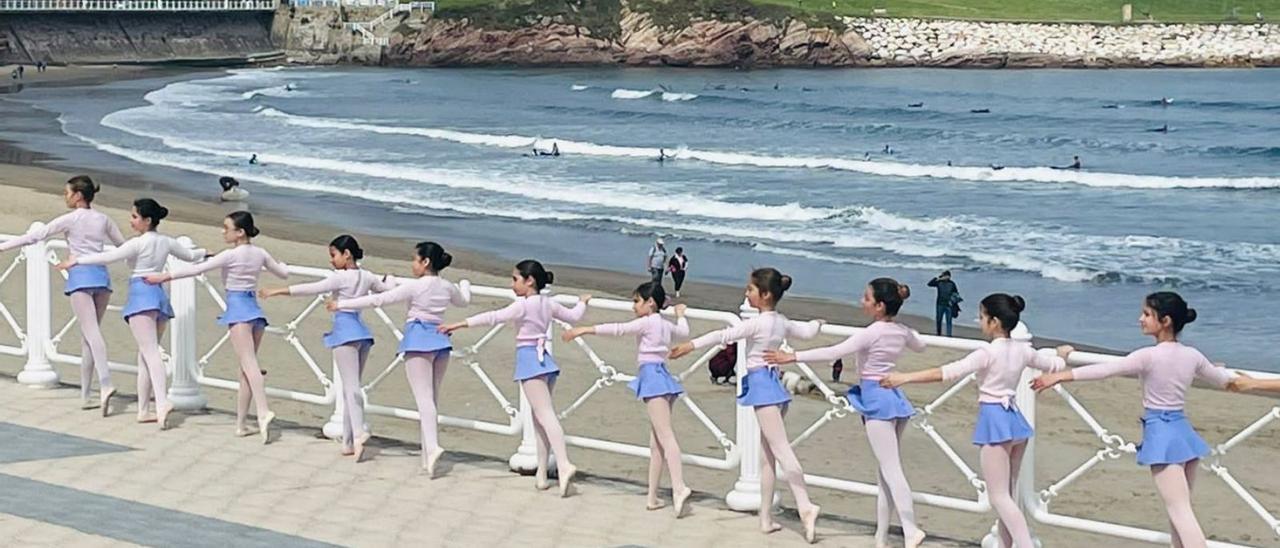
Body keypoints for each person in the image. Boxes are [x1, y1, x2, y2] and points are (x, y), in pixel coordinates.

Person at [1032, 292, 1236, 548]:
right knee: (1180, 513)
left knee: (1181, 513)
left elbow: (1105, 370)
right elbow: (1222, 380)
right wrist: (1220, 369)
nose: (1141, 319)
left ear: (1166, 321)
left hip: (1163, 436)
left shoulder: (1148, 356)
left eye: (1147, 314)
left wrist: (1060, 375)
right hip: (1184, 434)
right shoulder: (1192, 356)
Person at [882, 294, 1072, 548]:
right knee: (1009, 494)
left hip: (995, 421)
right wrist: (1064, 354)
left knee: (999, 497)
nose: (979, 321)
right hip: (1014, 420)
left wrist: (903, 378)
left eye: (982, 317)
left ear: (994, 322)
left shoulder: (987, 352)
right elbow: (1053, 364)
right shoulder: (1023, 350)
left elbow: (946, 373)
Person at [766, 278, 926, 548]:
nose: (862, 301)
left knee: (891, 469)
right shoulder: (901, 331)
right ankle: (881, 536)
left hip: (876, 398)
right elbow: (921, 345)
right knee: (885, 472)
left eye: (866, 298)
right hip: (895, 397)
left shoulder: (872, 332)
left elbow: (834, 351)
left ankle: (910, 530)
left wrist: (793, 357)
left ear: (879, 306)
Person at [671, 268, 822, 543]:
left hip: (764, 389)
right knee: (768, 456)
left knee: (780, 451)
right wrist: (818, 323)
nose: (746, 293)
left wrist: (689, 345)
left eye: (750, 289)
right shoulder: (781, 321)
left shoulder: (760, 323)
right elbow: (808, 332)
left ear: (764, 295)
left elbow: (722, 335)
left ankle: (805, 506)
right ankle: (765, 518)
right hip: (774, 385)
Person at [439, 260, 589, 496]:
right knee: (539, 417)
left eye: (515, 279)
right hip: (545, 361)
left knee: (545, 415)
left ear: (529, 281)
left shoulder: (523, 306)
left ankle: (563, 462)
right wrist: (583, 302)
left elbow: (492, 316)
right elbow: (574, 316)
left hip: (531, 361)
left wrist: (458, 324)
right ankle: (541, 474)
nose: (512, 284)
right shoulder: (549, 303)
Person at [57, 198, 204, 429]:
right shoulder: (166, 241)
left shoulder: (138, 243)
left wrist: (77, 260)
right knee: (145, 355)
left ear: (147, 220)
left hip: (141, 296)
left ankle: (162, 402)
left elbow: (106, 257)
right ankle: (144, 409)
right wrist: (209, 254)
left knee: (150, 352)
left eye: (135, 216)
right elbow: (190, 256)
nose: (131, 220)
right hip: (159, 296)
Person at [327, 241, 470, 474]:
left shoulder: (415, 286)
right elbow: (463, 301)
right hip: (441, 341)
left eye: (415, 260)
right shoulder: (447, 286)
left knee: (424, 399)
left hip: (418, 341)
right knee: (432, 398)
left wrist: (342, 304)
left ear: (425, 262)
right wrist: (465, 285)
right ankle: (427, 454)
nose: (412, 264)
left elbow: (378, 300)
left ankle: (432, 448)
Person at [145, 211, 287, 443]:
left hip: (239, 311)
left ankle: (263, 411)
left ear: (240, 232)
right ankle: (241, 424)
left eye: (227, 228)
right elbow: (282, 273)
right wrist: (281, 265)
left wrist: (163, 277)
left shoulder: (230, 255)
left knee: (249, 365)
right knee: (246, 368)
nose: (223, 232)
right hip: (255, 311)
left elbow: (195, 270)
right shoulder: (260, 253)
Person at [562, 282, 692, 516]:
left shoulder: (648, 322)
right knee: (657, 442)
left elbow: (619, 329)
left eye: (636, 301)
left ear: (650, 302)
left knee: (665, 436)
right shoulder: (663, 323)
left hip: (653, 378)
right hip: (661, 376)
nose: (633, 306)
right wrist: (681, 316)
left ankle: (679, 487)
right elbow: (683, 333)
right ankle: (652, 496)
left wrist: (584, 329)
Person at [261, 235, 394, 461]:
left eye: (334, 255)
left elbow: (310, 288)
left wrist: (277, 291)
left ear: (347, 254)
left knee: (350, 388)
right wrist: (390, 279)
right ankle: (348, 441)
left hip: (345, 334)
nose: (331, 261)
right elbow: (386, 290)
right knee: (350, 388)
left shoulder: (339, 278)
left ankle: (359, 432)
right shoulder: (367, 276)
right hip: (362, 333)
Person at [0, 175, 125, 414]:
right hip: (101, 277)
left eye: (67, 193)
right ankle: (87, 395)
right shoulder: (103, 219)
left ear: (78, 195)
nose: (64, 197)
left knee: (91, 333)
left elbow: (37, 235)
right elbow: (123, 246)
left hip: (80, 277)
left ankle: (106, 382)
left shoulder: (71, 219)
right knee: (88, 337)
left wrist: (4, 246)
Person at [927, 271, 960, 337]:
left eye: (948, 276)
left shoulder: (952, 284)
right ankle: (938, 334)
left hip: (949, 305)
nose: (947, 277)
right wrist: (938, 278)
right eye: (945, 276)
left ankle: (949, 335)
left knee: (949, 321)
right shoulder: (939, 282)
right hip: (940, 304)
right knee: (939, 320)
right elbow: (929, 284)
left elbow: (956, 294)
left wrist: (955, 303)